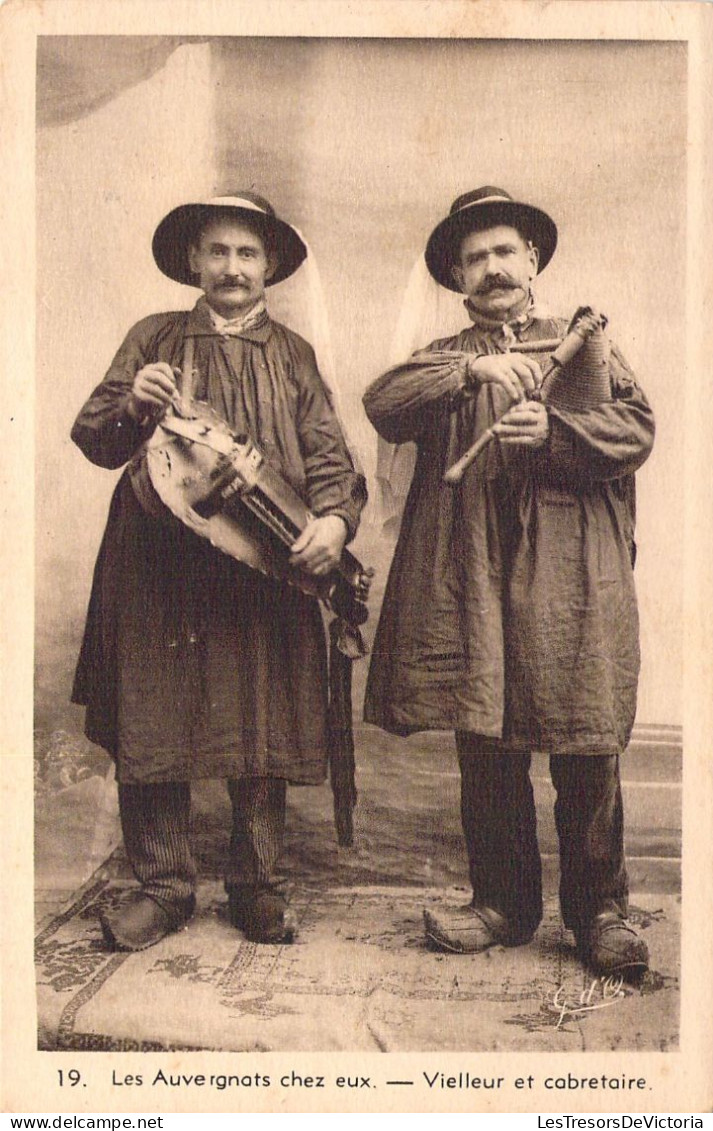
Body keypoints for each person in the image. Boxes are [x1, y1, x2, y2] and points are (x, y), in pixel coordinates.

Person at [362, 186, 655, 978]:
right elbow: (382, 403)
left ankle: (599, 911)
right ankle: (502, 904)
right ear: (456, 277)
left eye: (503, 251)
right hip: (472, 571)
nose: (490, 268)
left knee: (584, 739)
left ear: (531, 260)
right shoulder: (444, 355)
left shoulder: (581, 340)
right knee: (485, 743)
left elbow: (635, 428)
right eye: (473, 258)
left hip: (568, 568)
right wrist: (472, 373)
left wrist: (554, 428)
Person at [71, 192, 366, 951]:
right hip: (158, 561)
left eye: (246, 254)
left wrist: (332, 521)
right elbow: (94, 436)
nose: (231, 268)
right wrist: (133, 401)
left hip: (262, 569)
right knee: (154, 712)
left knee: (260, 716)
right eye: (217, 252)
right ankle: (163, 885)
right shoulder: (154, 338)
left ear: (268, 266)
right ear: (193, 261)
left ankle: (257, 884)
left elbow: (331, 458)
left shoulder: (293, 354)